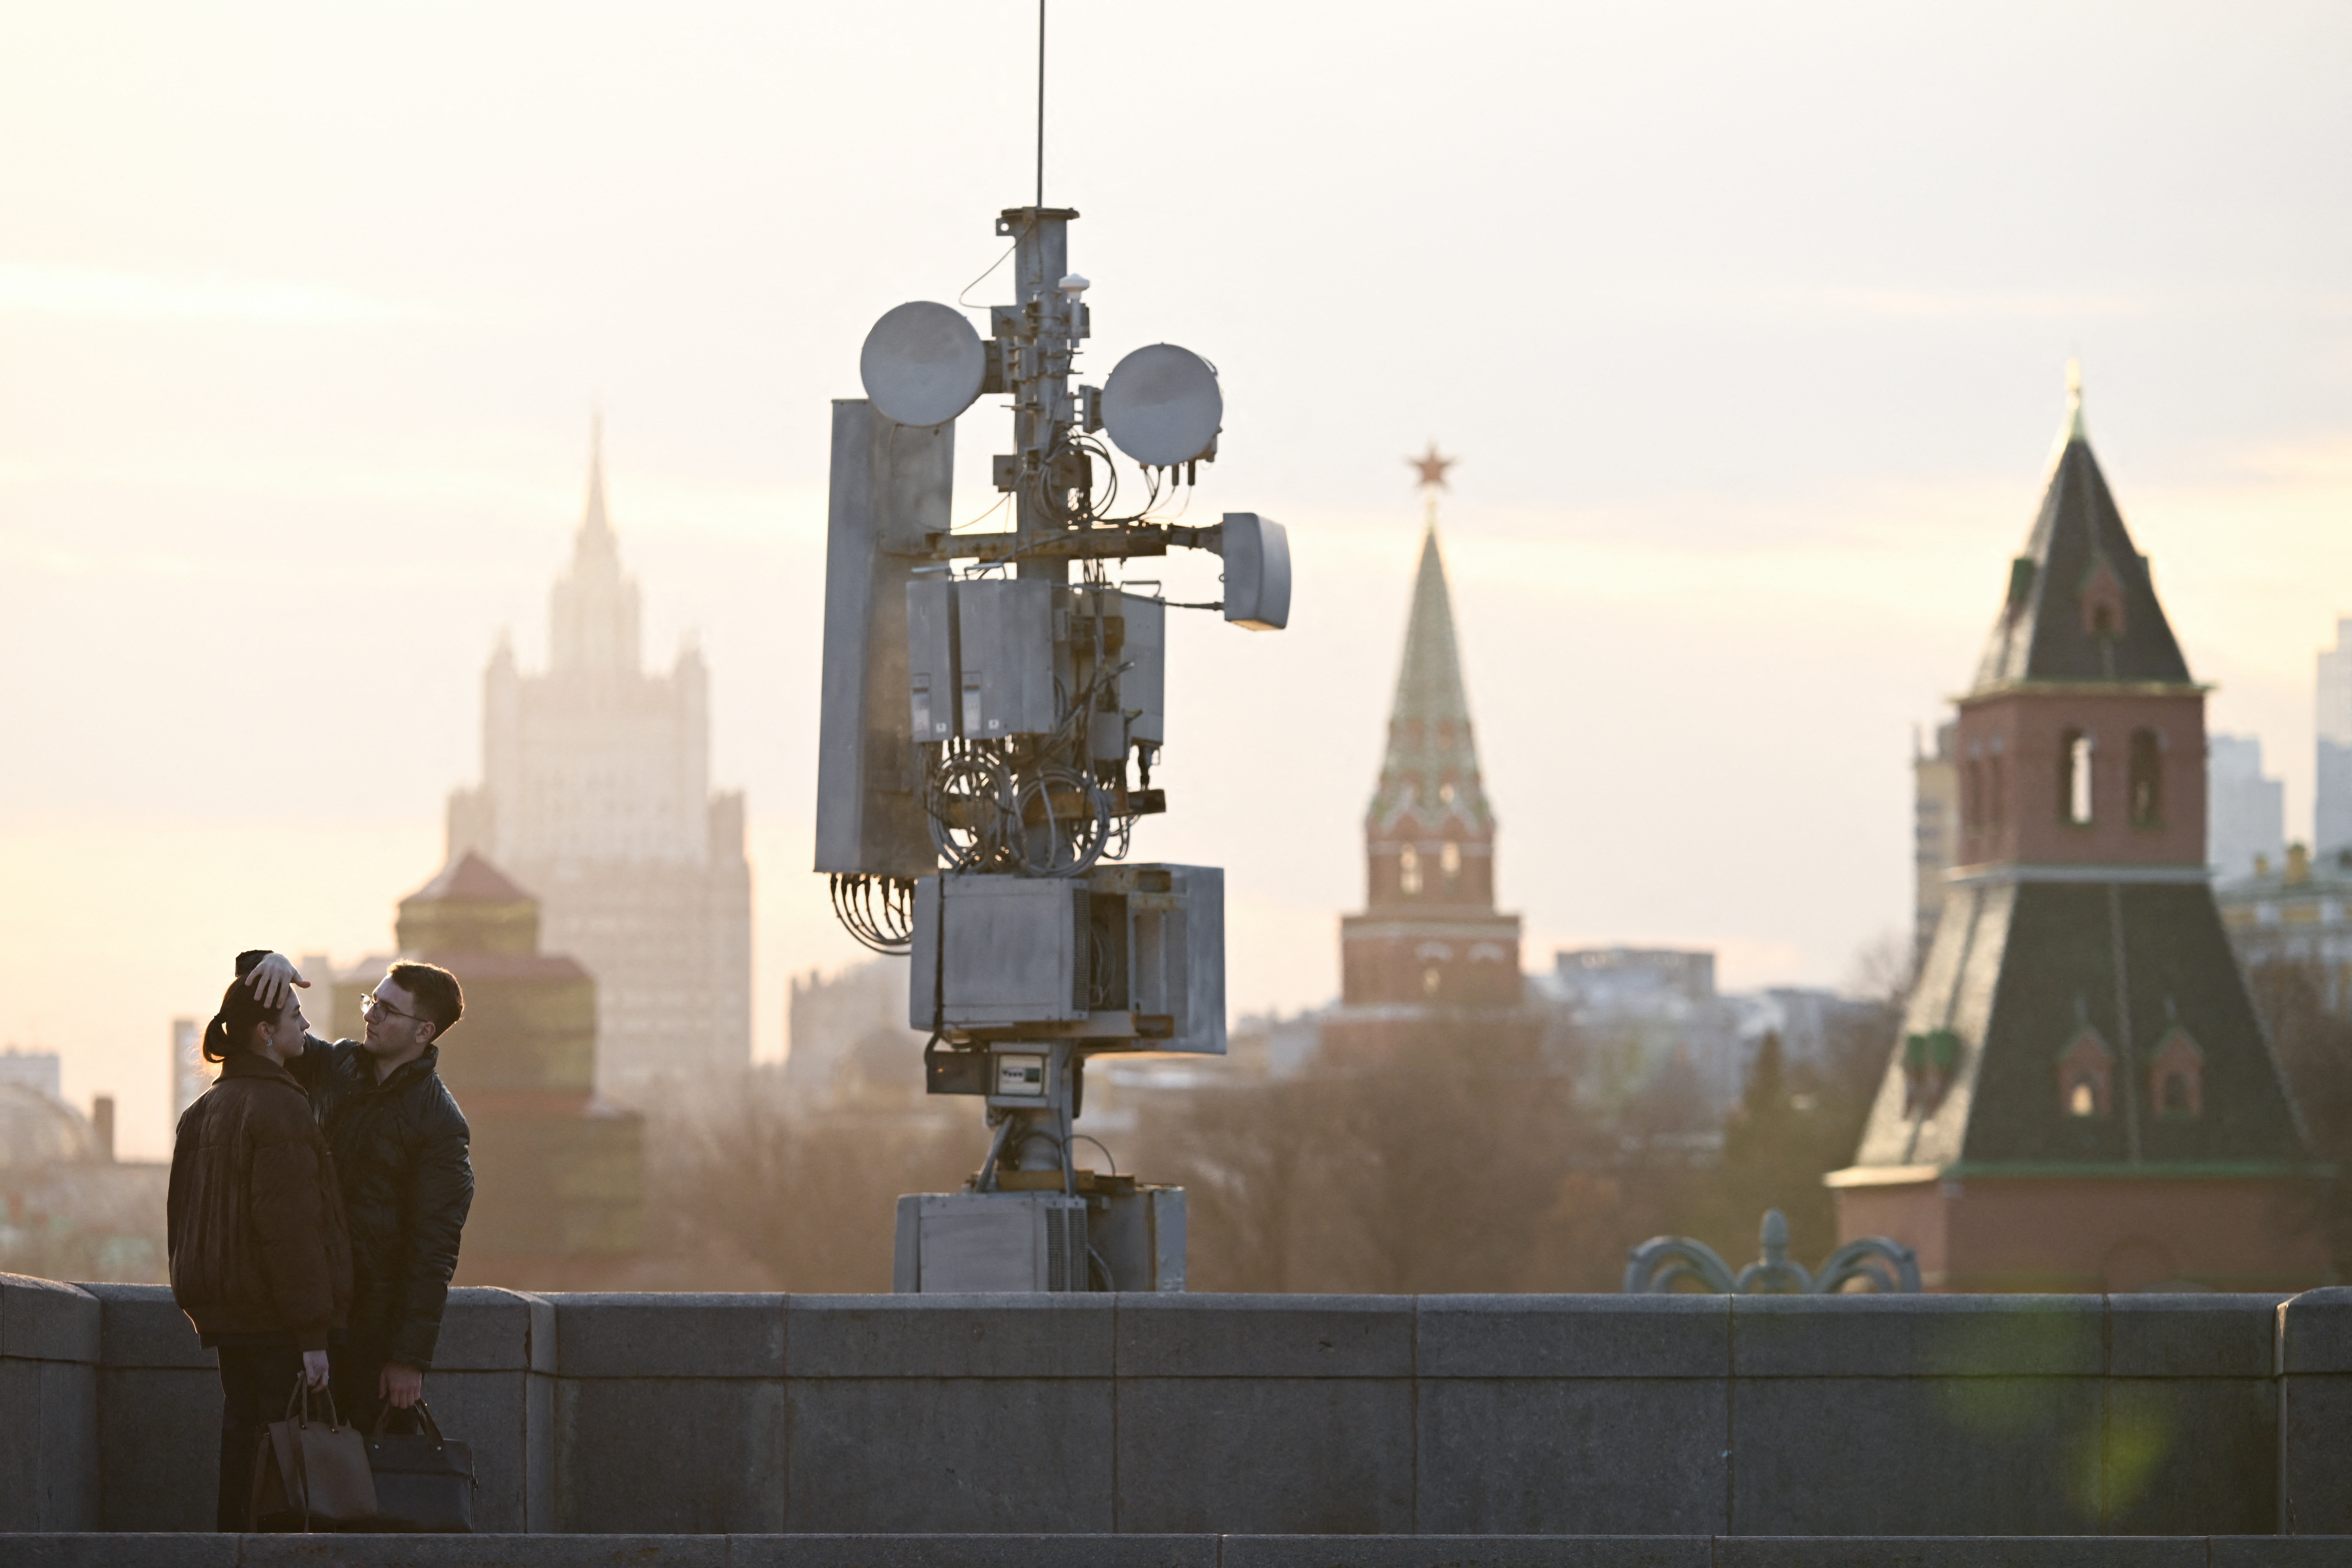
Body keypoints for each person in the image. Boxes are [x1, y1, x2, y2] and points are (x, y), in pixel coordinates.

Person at [241, 949, 473, 1433]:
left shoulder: (440, 1124)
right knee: (288, 1465)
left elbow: (433, 1250)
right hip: (307, 1315)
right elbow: (268, 1033)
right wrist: (265, 963)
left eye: (386, 1010)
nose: (370, 1015)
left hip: (373, 1334)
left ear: (424, 1032)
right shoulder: (337, 1064)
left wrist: (408, 1359)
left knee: (369, 1472)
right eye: (372, 1002)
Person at [167, 965, 354, 1531]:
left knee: (243, 1445)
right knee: (283, 1463)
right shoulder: (281, 1106)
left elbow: (182, 1219)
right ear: (265, 1033)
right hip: (278, 1320)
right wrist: (313, 1336)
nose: (306, 1026)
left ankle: (232, 1548)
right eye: (295, 1016)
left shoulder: (202, 1111)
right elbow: (291, 1229)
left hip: (229, 1317)